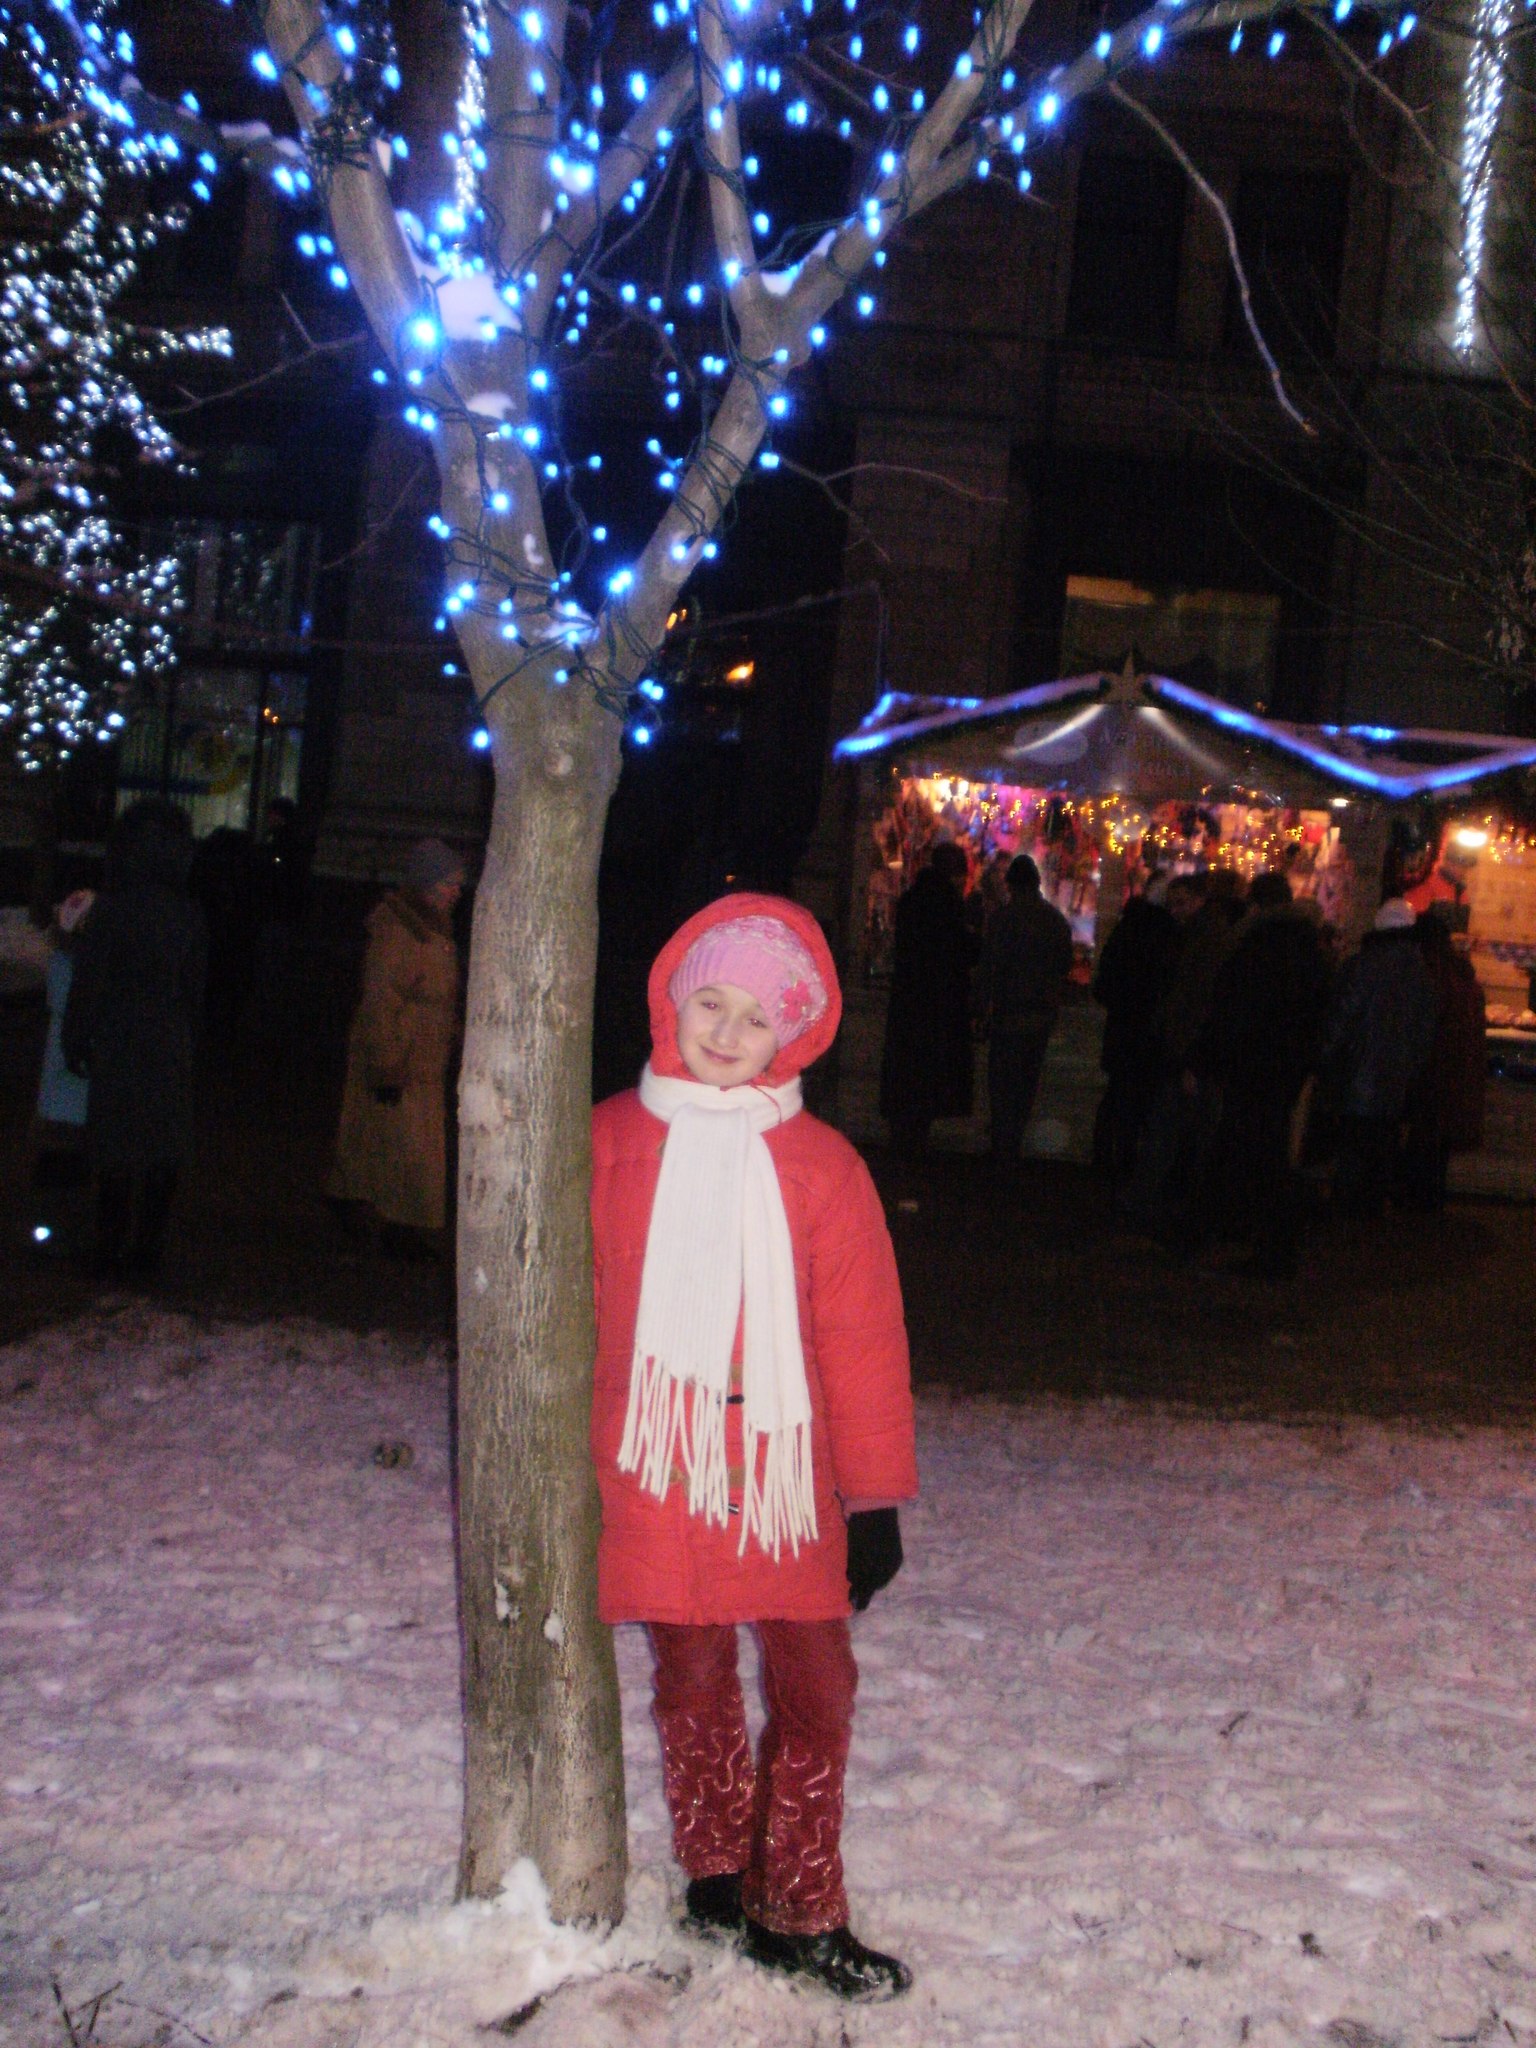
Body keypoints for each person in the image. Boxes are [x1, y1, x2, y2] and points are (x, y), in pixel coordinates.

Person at [591, 894, 918, 2002]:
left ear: (796, 1032)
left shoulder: (822, 1164)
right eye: (711, 1004)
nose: (728, 1032)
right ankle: (719, 1875)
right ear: (671, 1003)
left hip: (788, 1481)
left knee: (817, 1689)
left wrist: (874, 1499)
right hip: (660, 1469)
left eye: (757, 1016)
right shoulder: (606, 1142)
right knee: (692, 1682)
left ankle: (803, 1904)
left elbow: (862, 1338)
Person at [62, 800, 207, 1280]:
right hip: (167, 1038)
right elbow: (195, 987)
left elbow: (90, 980)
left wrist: (76, 1037)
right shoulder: (186, 913)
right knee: (161, 1147)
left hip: (120, 1036)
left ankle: (109, 1248)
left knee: (118, 1146)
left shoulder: (114, 909)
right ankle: (147, 1250)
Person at [328, 838, 466, 1255]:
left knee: (394, 1144)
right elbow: (381, 1000)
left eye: (458, 884)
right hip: (401, 1056)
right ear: (426, 884)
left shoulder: (431, 930)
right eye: (448, 883)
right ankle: (399, 1226)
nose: (456, 892)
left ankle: (376, 1213)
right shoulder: (401, 933)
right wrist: (387, 1063)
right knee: (405, 1148)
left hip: (420, 1057)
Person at [1200, 873, 1333, 1278]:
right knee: (1273, 1149)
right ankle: (1269, 1240)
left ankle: (1258, 1242)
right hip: (1286, 1068)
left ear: (1256, 906)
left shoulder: (1255, 946)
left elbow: (1231, 1008)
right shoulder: (1310, 950)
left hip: (1253, 1064)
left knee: (1252, 1150)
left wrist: (1212, 1057)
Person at [1319, 897, 1437, 1216]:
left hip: (1358, 1071)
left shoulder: (1363, 964)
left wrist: (1325, 1056)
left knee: (1353, 1140)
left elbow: (1343, 1016)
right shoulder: (1421, 972)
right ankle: (1372, 1202)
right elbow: (1424, 1030)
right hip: (1397, 1077)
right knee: (1383, 1139)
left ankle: (1346, 1202)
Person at [878, 841, 978, 1159]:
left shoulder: (912, 900)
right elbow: (961, 951)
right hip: (938, 1004)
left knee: (907, 1074)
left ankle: (902, 1137)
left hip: (910, 1000)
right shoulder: (950, 905)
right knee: (928, 1077)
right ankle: (916, 1140)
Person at [980, 854, 1074, 1170]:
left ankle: (1001, 1145)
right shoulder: (1054, 921)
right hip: (1038, 1016)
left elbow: (989, 967)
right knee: (1025, 1085)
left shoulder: (1003, 920)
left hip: (1007, 1013)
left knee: (1001, 1085)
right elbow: (1064, 966)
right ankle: (1013, 1144)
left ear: (1011, 885)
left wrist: (980, 1008)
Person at [1091, 879, 1179, 1174]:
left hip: (1122, 1026)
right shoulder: (1169, 936)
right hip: (1148, 1029)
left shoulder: (1126, 929)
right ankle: (1126, 1157)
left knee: (1118, 1090)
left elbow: (1104, 984)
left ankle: (1104, 1153)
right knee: (1138, 1096)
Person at [1400, 910, 1486, 1211]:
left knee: (1422, 1135)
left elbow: (1418, 1024)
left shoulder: (1427, 972)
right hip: (1456, 1070)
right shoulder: (1463, 975)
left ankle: (1414, 1198)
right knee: (1438, 1143)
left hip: (1432, 1067)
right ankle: (1430, 1198)